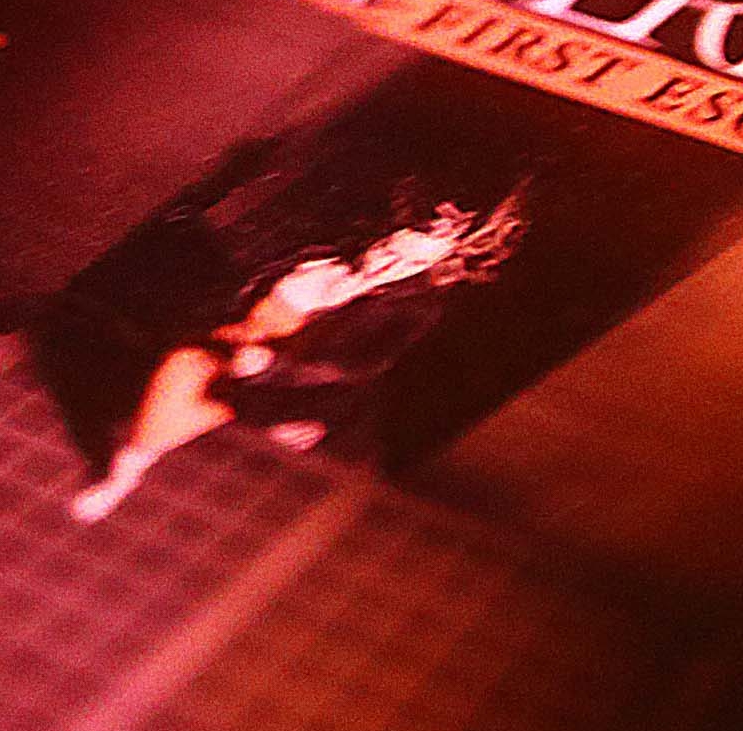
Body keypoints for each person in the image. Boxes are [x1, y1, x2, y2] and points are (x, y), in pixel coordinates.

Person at [68, 188, 525, 521]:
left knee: (188, 367)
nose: (409, 241)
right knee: (166, 340)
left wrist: (276, 365)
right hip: (234, 326)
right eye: (423, 223)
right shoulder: (350, 243)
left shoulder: (417, 305)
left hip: (282, 370)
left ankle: (128, 468)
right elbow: (261, 263)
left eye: (439, 236)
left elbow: (356, 364)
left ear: (449, 254)